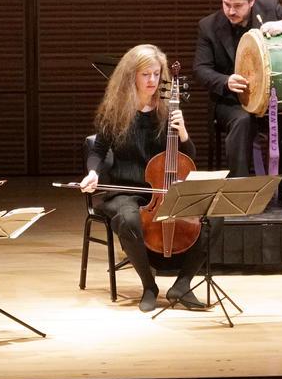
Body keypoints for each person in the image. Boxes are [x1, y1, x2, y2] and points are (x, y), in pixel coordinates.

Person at [78, 44, 208, 313]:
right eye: (145, 74)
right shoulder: (115, 111)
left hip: (162, 190)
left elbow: (189, 158)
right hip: (124, 189)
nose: (152, 80)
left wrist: (183, 133)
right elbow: (98, 150)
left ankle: (182, 284)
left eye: (156, 74)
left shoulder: (167, 109)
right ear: (131, 77)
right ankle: (149, 286)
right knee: (128, 219)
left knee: (214, 217)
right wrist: (92, 172)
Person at [193, 0, 282, 210]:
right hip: (233, 102)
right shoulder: (208, 26)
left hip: (274, 98)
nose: (231, 11)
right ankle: (240, 192)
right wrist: (225, 80)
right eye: (226, 4)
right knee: (243, 122)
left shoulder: (270, 8)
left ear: (252, 0)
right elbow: (201, 69)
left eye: (238, 5)